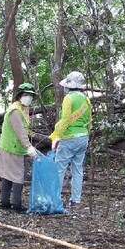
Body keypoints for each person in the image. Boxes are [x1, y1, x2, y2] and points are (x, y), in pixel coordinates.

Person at [51, 71, 92, 210]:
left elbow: (66, 119)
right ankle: (76, 201)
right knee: (78, 169)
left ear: (69, 86)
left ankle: (54, 199)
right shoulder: (86, 99)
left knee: (59, 169)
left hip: (69, 138)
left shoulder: (69, 98)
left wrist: (57, 136)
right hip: (83, 137)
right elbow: (89, 121)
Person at [0, 83, 39, 212]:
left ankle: (4, 202)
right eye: (26, 95)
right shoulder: (15, 111)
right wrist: (29, 147)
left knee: (8, 175)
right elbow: (20, 132)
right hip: (12, 148)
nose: (29, 98)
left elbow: (26, 130)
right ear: (20, 96)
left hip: (11, 147)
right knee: (18, 176)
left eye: (31, 95)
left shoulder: (23, 109)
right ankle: (16, 204)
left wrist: (41, 137)